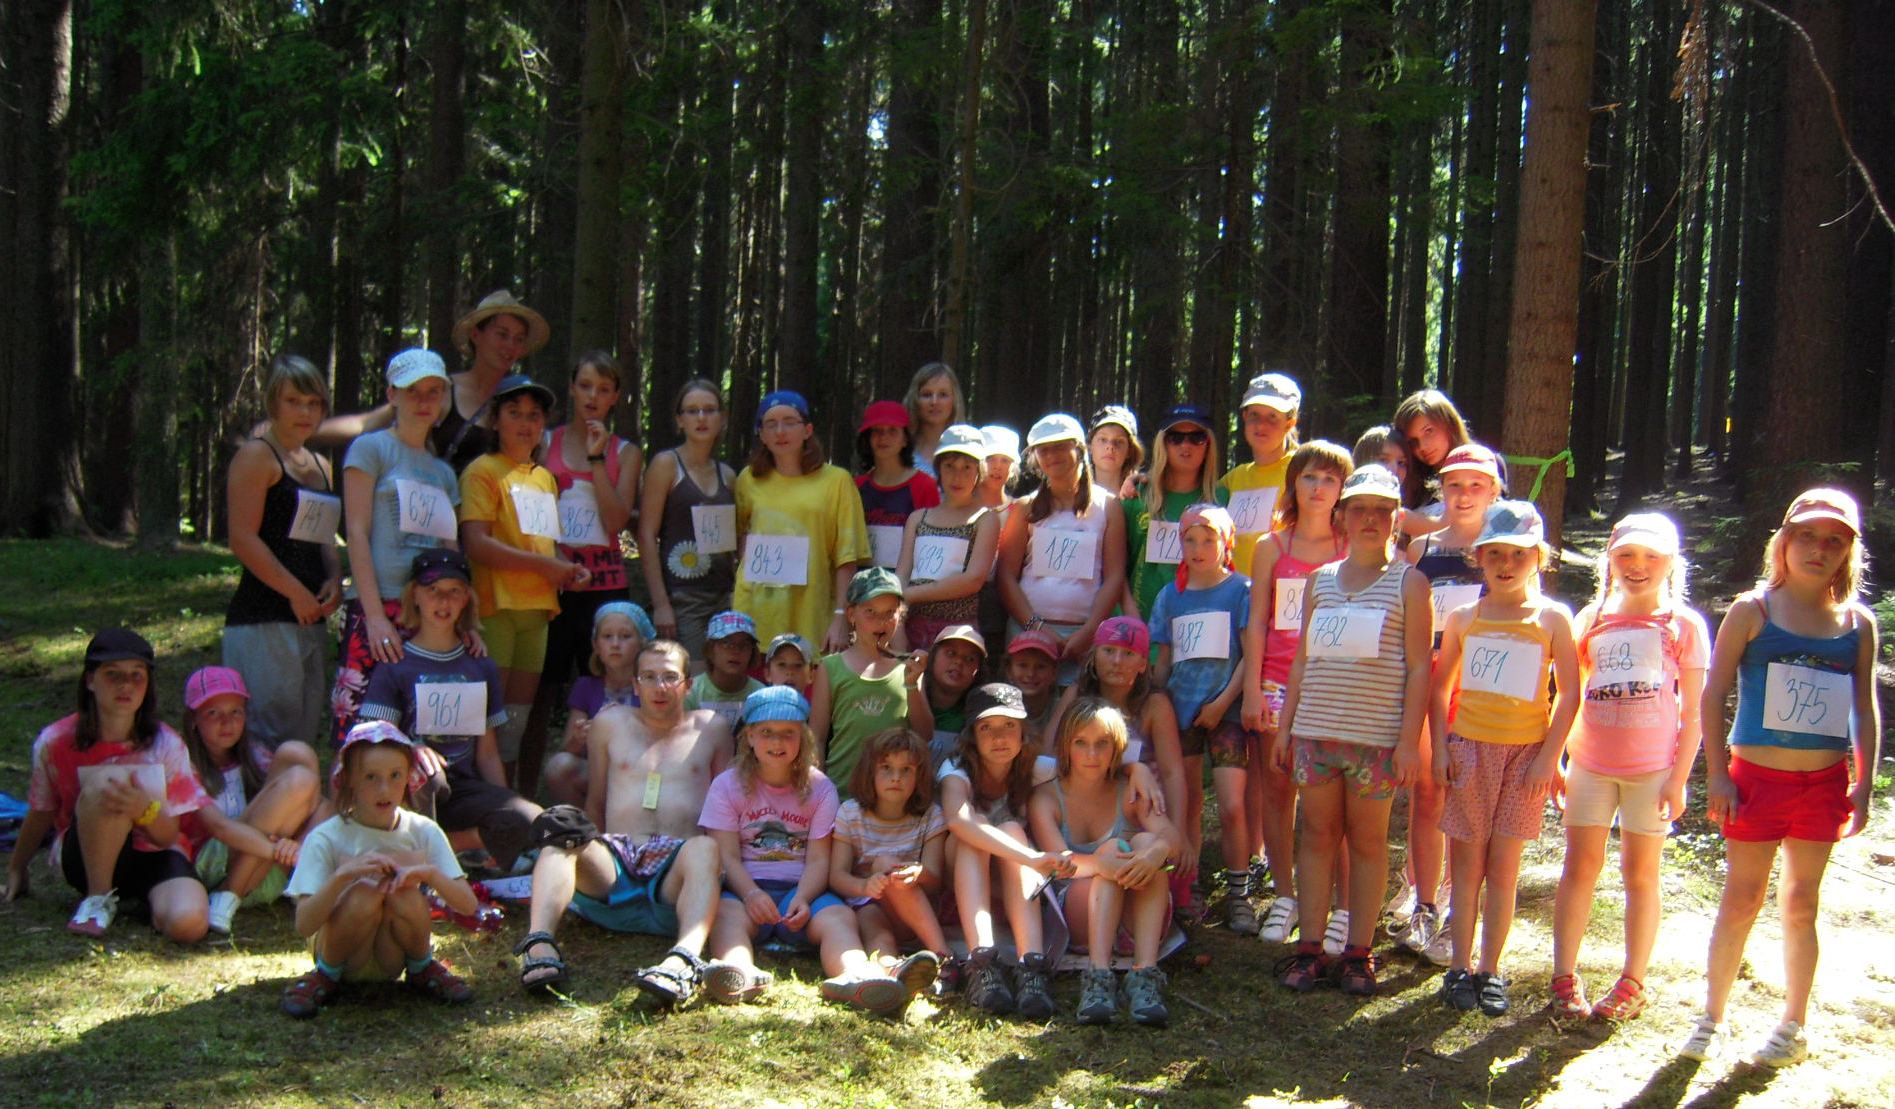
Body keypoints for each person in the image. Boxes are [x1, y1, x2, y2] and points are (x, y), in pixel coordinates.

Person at [1680, 489, 1879, 1066]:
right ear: (1784, 542)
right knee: (1742, 898)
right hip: (1755, 782)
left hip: (1822, 785)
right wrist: (1718, 774)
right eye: (1807, 536)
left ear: (1848, 552)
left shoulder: (1857, 623)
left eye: (1834, 540)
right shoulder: (1754, 610)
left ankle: (1793, 1023)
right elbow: (1713, 692)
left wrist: (1863, 783)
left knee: (1801, 903)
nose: (1820, 549)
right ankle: (1711, 1017)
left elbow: (1864, 708)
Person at [1270, 465, 1430, 995]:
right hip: (1316, 733)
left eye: (1382, 510)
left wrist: (1407, 742)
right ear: (1342, 515)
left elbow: (1419, 668)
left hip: (1374, 740)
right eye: (1359, 508)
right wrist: (1285, 729)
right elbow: (1301, 660)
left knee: (1367, 841)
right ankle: (1310, 947)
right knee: (1316, 836)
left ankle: (1359, 952)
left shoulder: (1410, 583)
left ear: (1396, 518)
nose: (1370, 519)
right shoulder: (1319, 581)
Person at [1550, 513, 1709, 1021]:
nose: (1638, 566)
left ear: (1671, 563)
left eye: (1651, 557)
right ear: (1610, 560)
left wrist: (1679, 778)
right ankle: (1563, 976)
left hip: (1652, 772)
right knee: (1579, 866)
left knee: (1640, 874)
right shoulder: (1590, 619)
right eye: (1626, 555)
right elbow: (1569, 694)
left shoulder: (1684, 625)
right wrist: (1556, 757)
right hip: (1590, 765)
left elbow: (1695, 712)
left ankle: (1632, 981)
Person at [513, 640, 733, 1004]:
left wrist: (724, 873)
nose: (659, 687)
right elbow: (596, 799)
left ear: (688, 685)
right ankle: (539, 945)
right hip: (616, 864)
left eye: (670, 677)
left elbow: (724, 809)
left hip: (676, 877)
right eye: (649, 677)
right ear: (635, 684)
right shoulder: (610, 723)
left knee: (707, 847)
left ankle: (683, 960)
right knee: (564, 831)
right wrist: (588, 851)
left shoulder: (712, 728)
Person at [1432, 500, 1580, 1017]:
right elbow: (1440, 687)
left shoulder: (1553, 619)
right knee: (1466, 865)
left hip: (1525, 759)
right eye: (1494, 552)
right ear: (1478, 556)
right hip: (1470, 752)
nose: (1506, 563)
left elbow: (1569, 693)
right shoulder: (1464, 617)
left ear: (1539, 557)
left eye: (1519, 554)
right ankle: (1458, 965)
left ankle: (1490, 968)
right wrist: (1442, 746)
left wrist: (1549, 757)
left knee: (1503, 867)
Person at [700, 686, 919, 1015]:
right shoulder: (726, 785)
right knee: (724, 916)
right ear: (749, 737)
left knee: (840, 918)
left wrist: (803, 897)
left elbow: (819, 858)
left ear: (802, 738)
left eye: (788, 733)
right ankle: (738, 970)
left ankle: (855, 975)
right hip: (744, 888)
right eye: (767, 732)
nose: (777, 742)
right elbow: (727, 856)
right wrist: (750, 894)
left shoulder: (819, 787)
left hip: (802, 888)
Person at [7, 629, 212, 943]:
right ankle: (98, 897)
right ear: (91, 680)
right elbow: (41, 811)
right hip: (86, 855)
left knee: (189, 925)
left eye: (136, 675)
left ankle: (151, 903)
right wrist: (17, 868)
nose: (126, 685)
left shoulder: (167, 743)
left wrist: (143, 809)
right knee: (109, 780)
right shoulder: (55, 741)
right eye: (113, 674)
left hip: (152, 852)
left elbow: (168, 835)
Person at [359, 549, 541, 871]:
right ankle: (426, 855)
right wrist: (409, 749)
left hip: (463, 791)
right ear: (414, 596)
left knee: (529, 818)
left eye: (454, 591)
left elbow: (487, 753)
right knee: (429, 775)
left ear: (466, 599)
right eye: (433, 590)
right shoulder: (395, 664)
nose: (443, 601)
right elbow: (370, 743)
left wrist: (503, 810)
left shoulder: (480, 665)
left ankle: (448, 848)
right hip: (409, 791)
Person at [279, 722, 477, 1018]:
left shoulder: (423, 831)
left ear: (408, 777)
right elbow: (304, 924)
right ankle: (325, 975)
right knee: (365, 893)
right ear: (349, 780)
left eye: (395, 775)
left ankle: (422, 968)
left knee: (405, 894)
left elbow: (467, 905)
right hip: (344, 952)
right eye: (371, 777)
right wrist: (343, 877)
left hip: (392, 955)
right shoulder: (326, 837)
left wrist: (429, 874)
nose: (384, 790)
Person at [1393, 442, 1505, 964]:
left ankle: (1463, 913)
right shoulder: (1421, 549)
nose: (1464, 495)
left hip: (1481, 686)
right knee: (1427, 792)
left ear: (1493, 492)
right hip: (1429, 681)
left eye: (1476, 486)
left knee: (1468, 798)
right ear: (1442, 490)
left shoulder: (1504, 551)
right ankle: (1425, 904)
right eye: (1455, 485)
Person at [1241, 440, 1350, 944]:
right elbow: (1256, 623)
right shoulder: (1272, 546)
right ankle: (1285, 896)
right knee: (1278, 790)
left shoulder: (1351, 547)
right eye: (1309, 477)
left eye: (1330, 479)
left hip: (1333, 687)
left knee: (1332, 799)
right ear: (1293, 484)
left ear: (1343, 489)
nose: (1318, 488)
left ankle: (1341, 905)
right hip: (1276, 683)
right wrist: (1251, 690)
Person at [331, 349, 465, 745]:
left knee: (417, 731)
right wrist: (374, 617)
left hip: (429, 613)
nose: (424, 400)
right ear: (392, 394)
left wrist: (462, 619)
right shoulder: (371, 449)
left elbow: (451, 550)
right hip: (378, 605)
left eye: (433, 391)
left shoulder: (443, 473)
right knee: (359, 727)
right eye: (413, 391)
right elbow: (356, 532)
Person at [459, 373, 589, 778]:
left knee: (516, 719)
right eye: (514, 413)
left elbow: (544, 545)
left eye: (534, 415)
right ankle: (480, 797)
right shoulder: (482, 471)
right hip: (496, 607)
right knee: (488, 716)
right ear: (495, 420)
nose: (525, 423)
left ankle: (508, 801)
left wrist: (567, 568)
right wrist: (546, 566)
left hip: (538, 611)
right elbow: (476, 543)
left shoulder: (544, 477)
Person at [527, 351, 643, 790]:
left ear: (616, 397)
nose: (593, 396)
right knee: (540, 690)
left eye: (604, 389)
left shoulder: (626, 453)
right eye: (586, 386)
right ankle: (527, 792)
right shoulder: (545, 442)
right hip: (552, 583)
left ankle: (612, 792)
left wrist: (596, 461)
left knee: (608, 687)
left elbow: (616, 521)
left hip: (605, 587)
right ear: (572, 389)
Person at [1030, 697, 1182, 1025]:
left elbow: (1172, 838)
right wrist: (1102, 864)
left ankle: (1145, 973)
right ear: (1065, 746)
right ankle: (1097, 978)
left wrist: (1154, 854)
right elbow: (1059, 864)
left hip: (1134, 920)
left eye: (1102, 744)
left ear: (1117, 748)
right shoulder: (1046, 797)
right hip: (1079, 915)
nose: (1092, 754)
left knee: (1147, 843)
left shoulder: (1130, 789)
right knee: (1113, 849)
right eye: (1081, 743)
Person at [223, 354, 342, 749]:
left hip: (310, 618)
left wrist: (334, 578)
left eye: (313, 403)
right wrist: (295, 593)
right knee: (264, 740)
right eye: (294, 401)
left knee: (302, 738)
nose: (305, 412)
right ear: (273, 403)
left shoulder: (321, 466)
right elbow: (242, 539)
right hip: (263, 619)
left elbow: (324, 537)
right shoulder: (256, 456)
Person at [936, 683, 1072, 1018]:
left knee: (1011, 827)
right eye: (987, 728)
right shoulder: (955, 769)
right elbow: (958, 820)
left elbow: (1096, 765)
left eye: (1009, 725)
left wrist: (1137, 769)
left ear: (1023, 732)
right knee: (977, 828)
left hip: (1013, 882)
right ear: (972, 735)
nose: (999, 737)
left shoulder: (1036, 767)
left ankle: (1031, 965)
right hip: (965, 875)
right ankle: (982, 962)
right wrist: (1032, 858)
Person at [310, 291, 550, 476]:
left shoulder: (522, 402)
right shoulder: (440, 391)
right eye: (502, 335)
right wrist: (302, 431)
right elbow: (366, 423)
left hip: (491, 522)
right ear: (476, 335)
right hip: (434, 514)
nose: (510, 346)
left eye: (518, 339)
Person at [1150, 504, 1253, 931]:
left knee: (1231, 804)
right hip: (1181, 712)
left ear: (1226, 543)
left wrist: (1223, 702)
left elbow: (1249, 655)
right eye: (1190, 540)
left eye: (1208, 540)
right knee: (1188, 802)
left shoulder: (1241, 590)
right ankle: (1187, 886)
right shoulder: (1170, 596)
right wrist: (1154, 704)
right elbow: (1164, 659)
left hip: (1227, 712)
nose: (1198, 548)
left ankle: (1239, 893)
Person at [178, 667, 323, 937]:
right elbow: (219, 828)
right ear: (193, 719)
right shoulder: (185, 764)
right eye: (214, 713)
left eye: (236, 712)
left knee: (298, 754)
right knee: (301, 779)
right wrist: (279, 851)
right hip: (214, 865)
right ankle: (228, 893)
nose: (227, 722)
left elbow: (312, 804)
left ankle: (302, 877)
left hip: (262, 869)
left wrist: (296, 846)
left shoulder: (254, 755)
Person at [732, 389, 872, 652]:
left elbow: (847, 556)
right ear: (761, 434)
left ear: (807, 430)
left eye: (789, 422)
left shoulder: (837, 481)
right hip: (757, 612)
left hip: (812, 613)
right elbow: (740, 539)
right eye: (771, 424)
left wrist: (841, 616)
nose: (780, 432)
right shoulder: (747, 480)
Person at [998, 413, 1126, 681]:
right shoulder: (1025, 508)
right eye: (1043, 450)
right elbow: (1006, 576)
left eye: (1059, 447)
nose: (1051, 456)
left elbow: (1114, 575)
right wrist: (1037, 628)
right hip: (1029, 635)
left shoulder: (1108, 506)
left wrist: (1089, 632)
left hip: (1085, 638)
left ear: (1079, 449)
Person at [1048, 617, 1189, 852]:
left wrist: (1178, 832)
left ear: (1143, 664)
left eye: (1128, 653)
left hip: (1141, 810)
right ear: (1094, 656)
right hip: (1084, 804)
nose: (1116, 661)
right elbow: (1050, 751)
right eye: (1109, 650)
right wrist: (1132, 768)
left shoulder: (1154, 704)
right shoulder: (1076, 694)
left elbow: (1172, 772)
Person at [829, 728, 950, 994]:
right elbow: (836, 876)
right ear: (869, 772)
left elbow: (935, 880)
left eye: (906, 770)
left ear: (919, 776)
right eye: (886, 768)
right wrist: (864, 887)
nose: (896, 778)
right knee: (874, 925)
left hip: (916, 913)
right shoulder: (850, 813)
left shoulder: (931, 815)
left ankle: (943, 957)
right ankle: (893, 968)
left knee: (886, 865)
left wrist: (918, 873)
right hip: (868, 905)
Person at [638, 379, 739, 664]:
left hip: (723, 597)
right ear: (679, 420)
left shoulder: (728, 475)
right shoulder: (666, 465)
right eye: (692, 411)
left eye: (709, 410)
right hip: (682, 597)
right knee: (692, 676)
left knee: (723, 677)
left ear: (722, 417)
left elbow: (734, 543)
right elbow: (646, 535)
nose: (701, 418)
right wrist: (661, 604)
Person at [809, 568, 933, 796]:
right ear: (851, 615)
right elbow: (816, 737)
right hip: (841, 795)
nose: (881, 622)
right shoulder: (830, 667)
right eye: (870, 612)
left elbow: (925, 734)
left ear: (900, 615)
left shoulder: (909, 668)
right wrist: (819, 793)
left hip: (893, 801)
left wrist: (912, 685)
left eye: (890, 612)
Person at [543, 601, 654, 808]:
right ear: (595, 645)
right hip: (598, 773)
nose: (615, 644)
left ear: (642, 643)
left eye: (625, 636)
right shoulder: (585, 686)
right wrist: (579, 738)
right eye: (607, 636)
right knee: (559, 766)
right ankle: (582, 824)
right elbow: (569, 749)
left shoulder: (653, 687)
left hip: (642, 772)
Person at [897, 424, 998, 651]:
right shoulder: (918, 518)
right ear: (938, 469)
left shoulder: (985, 519)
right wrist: (898, 625)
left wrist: (909, 595)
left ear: (979, 471)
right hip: (911, 627)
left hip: (959, 634)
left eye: (967, 467)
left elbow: (973, 579)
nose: (957, 476)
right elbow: (902, 573)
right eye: (949, 466)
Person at [1124, 404, 1226, 622]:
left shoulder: (1222, 499)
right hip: (1141, 624)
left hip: (1200, 624)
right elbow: (1117, 569)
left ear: (1208, 443)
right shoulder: (1137, 496)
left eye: (1196, 438)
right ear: (1163, 443)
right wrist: (1132, 618)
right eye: (1175, 438)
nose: (1185, 445)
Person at [1221, 373, 1301, 577]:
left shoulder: (1303, 471)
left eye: (1272, 416)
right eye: (1254, 415)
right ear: (1244, 417)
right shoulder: (1234, 479)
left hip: (1284, 590)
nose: (1261, 425)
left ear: (1290, 422)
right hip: (1237, 591)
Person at [855, 400, 941, 570]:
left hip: (907, 582)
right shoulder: (855, 486)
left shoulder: (924, 486)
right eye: (877, 431)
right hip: (861, 582)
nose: (884, 438)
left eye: (892, 431)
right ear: (867, 439)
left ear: (905, 439)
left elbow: (932, 542)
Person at [1392, 389, 1479, 539]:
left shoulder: (1483, 463)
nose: (1423, 446)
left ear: (1449, 423)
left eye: (1428, 431)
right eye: (1413, 441)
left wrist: (1408, 520)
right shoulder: (1413, 483)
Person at [686, 610, 766, 732]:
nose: (736, 651)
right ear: (710, 649)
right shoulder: (691, 692)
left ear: (752, 652)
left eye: (744, 645)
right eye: (726, 643)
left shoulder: (760, 694)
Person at [919, 624, 988, 764]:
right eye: (951, 653)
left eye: (970, 659)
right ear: (932, 657)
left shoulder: (979, 716)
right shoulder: (907, 696)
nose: (958, 662)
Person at [904, 362, 967, 479]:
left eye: (943, 395)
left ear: (954, 400)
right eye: (927, 395)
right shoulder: (901, 450)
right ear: (915, 400)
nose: (934, 402)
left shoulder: (969, 450)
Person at [1005, 629, 1065, 738]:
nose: (1031, 674)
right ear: (1009, 671)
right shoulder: (1000, 710)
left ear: (1054, 672)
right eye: (1023, 665)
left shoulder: (1062, 710)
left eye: (1040, 667)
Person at [1087, 405, 1143, 499]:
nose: (1110, 446)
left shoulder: (1141, 497)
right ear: (1089, 446)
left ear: (1130, 450)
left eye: (1119, 441)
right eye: (1103, 439)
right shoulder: (1074, 495)